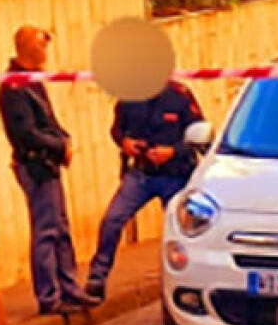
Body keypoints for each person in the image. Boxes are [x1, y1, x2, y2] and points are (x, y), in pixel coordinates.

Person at [0, 25, 100, 315]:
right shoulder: (15, 87)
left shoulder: (33, 81)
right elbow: (26, 133)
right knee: (46, 230)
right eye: (41, 46)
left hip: (48, 163)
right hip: (35, 165)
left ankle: (69, 288)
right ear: (29, 48)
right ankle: (49, 296)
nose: (45, 51)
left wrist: (64, 140)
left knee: (61, 228)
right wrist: (58, 146)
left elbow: (49, 121)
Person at [86, 81, 206, 301]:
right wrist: (125, 142)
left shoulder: (180, 96)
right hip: (142, 174)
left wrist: (172, 152)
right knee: (113, 219)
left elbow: (200, 137)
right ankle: (97, 278)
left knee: (183, 231)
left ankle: (191, 281)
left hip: (176, 175)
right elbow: (117, 130)